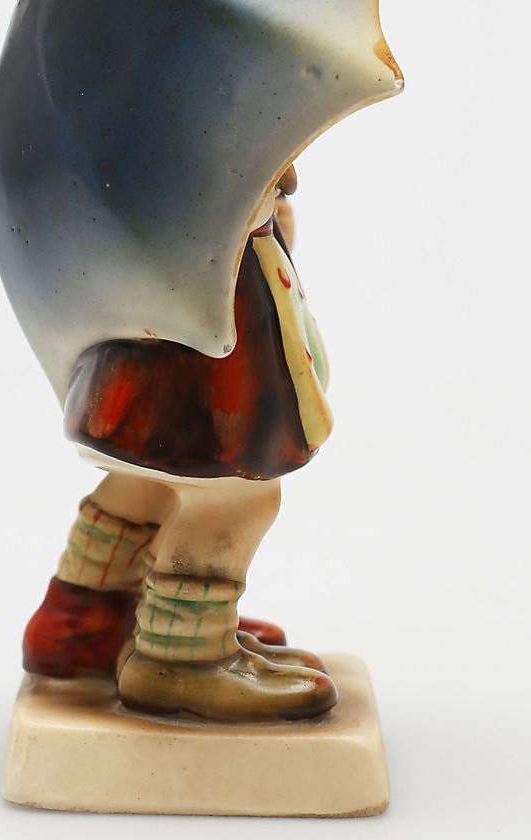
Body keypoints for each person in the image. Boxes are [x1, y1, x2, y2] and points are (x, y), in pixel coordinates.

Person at [23, 183, 339, 721]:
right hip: (193, 322)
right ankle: (182, 655)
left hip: (154, 318)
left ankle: (84, 615)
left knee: (148, 475)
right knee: (233, 495)